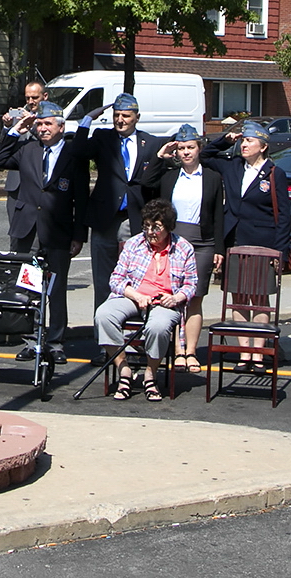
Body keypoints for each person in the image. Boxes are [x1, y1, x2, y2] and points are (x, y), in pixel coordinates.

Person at [0, 101, 87, 364]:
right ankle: (30, 341)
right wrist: (15, 129)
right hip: (28, 229)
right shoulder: (27, 150)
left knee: (56, 290)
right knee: (29, 288)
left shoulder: (72, 155)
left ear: (61, 126)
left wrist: (79, 236)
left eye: (48, 124)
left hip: (59, 231)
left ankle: (56, 342)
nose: (43, 128)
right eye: (40, 124)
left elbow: (81, 200)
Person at [206, 121, 291, 372]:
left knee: (259, 299)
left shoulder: (275, 173)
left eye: (249, 141)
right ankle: (244, 353)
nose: (244, 144)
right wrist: (226, 139)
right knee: (239, 298)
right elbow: (205, 155)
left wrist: (280, 251)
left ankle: (258, 353)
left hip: (263, 244)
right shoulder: (233, 166)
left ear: (263, 146)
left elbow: (284, 217)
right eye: (243, 140)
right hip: (235, 240)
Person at [94, 198, 199, 403]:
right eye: (147, 226)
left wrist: (175, 297)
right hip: (135, 295)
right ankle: (124, 370)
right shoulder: (134, 243)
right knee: (103, 315)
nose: (150, 232)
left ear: (168, 227)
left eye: (156, 227)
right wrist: (135, 295)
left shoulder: (184, 248)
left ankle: (150, 374)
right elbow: (116, 279)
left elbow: (191, 285)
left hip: (164, 300)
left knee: (158, 326)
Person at [76, 92, 162, 320]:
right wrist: (86, 122)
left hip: (133, 218)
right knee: (104, 279)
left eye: (126, 115)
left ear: (137, 117)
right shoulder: (104, 138)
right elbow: (78, 152)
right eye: (116, 115)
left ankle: (131, 335)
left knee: (134, 278)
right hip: (105, 218)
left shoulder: (150, 143)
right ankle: (104, 340)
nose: (120, 120)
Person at [148, 123, 224, 371]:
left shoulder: (212, 178)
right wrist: (161, 155)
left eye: (190, 147)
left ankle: (191, 351)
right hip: (174, 241)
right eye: (181, 148)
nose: (186, 152)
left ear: (199, 148)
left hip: (202, 242)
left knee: (194, 297)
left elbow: (218, 216)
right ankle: (177, 350)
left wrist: (219, 250)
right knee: (173, 296)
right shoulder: (170, 176)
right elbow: (147, 182)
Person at [2, 79, 49, 239]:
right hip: (17, 183)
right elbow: (3, 149)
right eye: (27, 98)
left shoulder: (51, 118)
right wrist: (7, 127)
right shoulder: (18, 117)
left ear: (45, 96)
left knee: (38, 236)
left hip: (38, 181)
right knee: (16, 234)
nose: (30, 101)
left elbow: (49, 142)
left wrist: (34, 124)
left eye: (34, 98)